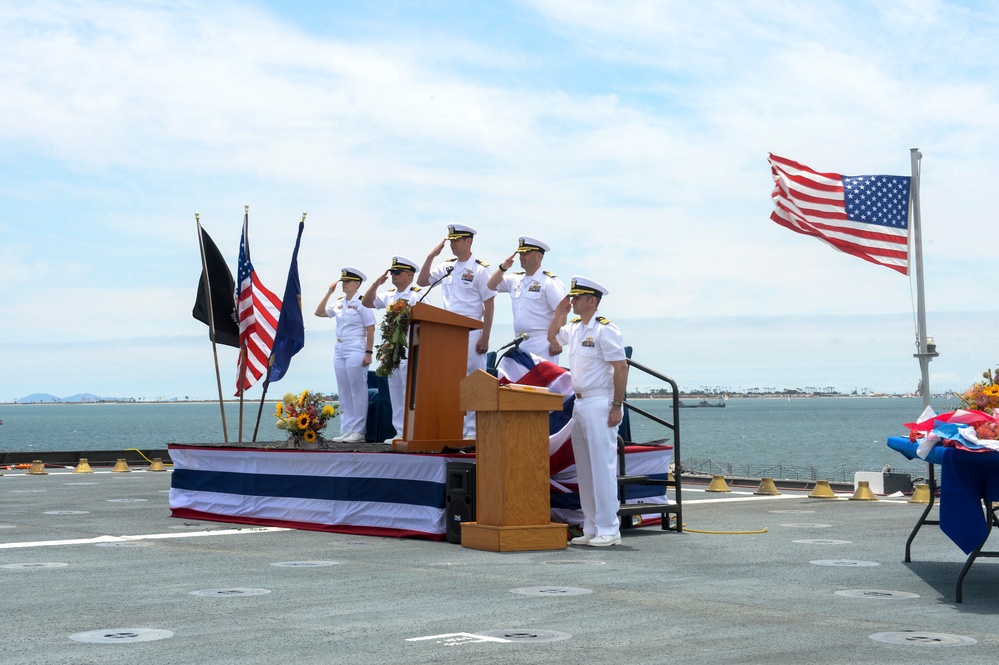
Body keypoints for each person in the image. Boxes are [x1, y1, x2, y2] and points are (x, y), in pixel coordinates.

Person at [548, 276, 629, 547]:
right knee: (585, 467)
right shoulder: (575, 328)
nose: (573, 301)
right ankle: (592, 526)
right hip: (580, 403)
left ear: (591, 301)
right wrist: (559, 314)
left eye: (577, 298)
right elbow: (553, 339)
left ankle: (610, 528)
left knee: (602, 466)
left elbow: (621, 368)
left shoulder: (606, 330)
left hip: (600, 401)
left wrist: (617, 405)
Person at [417, 223, 495, 438]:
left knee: (472, 381)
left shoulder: (480, 269)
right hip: (447, 331)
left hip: (471, 329)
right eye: (450, 241)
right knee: (450, 381)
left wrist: (486, 336)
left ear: (468, 241)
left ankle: (471, 431)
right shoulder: (447, 266)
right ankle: (453, 428)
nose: (452, 244)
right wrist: (431, 256)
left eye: (456, 240)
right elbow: (422, 281)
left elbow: (489, 304)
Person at [361, 255, 422, 443]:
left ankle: (414, 431)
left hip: (410, 349)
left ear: (409, 275)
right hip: (392, 351)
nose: (393, 275)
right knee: (395, 392)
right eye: (392, 272)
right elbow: (367, 302)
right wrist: (376, 284)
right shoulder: (389, 295)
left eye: (397, 272)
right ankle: (400, 431)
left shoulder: (417, 295)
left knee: (410, 392)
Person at [314, 266, 375, 444]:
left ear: (357, 284)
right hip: (340, 349)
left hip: (356, 348)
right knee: (344, 391)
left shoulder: (363, 302)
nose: (344, 284)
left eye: (347, 281)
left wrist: (369, 352)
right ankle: (346, 429)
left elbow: (370, 328)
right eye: (343, 281)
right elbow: (319, 313)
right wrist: (328, 293)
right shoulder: (340, 302)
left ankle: (359, 431)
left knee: (358, 390)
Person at [486, 236, 565, 364]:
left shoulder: (549, 282)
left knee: (540, 384)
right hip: (520, 343)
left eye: (526, 253)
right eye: (521, 253)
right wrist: (503, 267)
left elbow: (562, 313)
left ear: (538, 256)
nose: (522, 256)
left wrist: (558, 341)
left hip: (543, 344)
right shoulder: (515, 280)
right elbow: (491, 285)